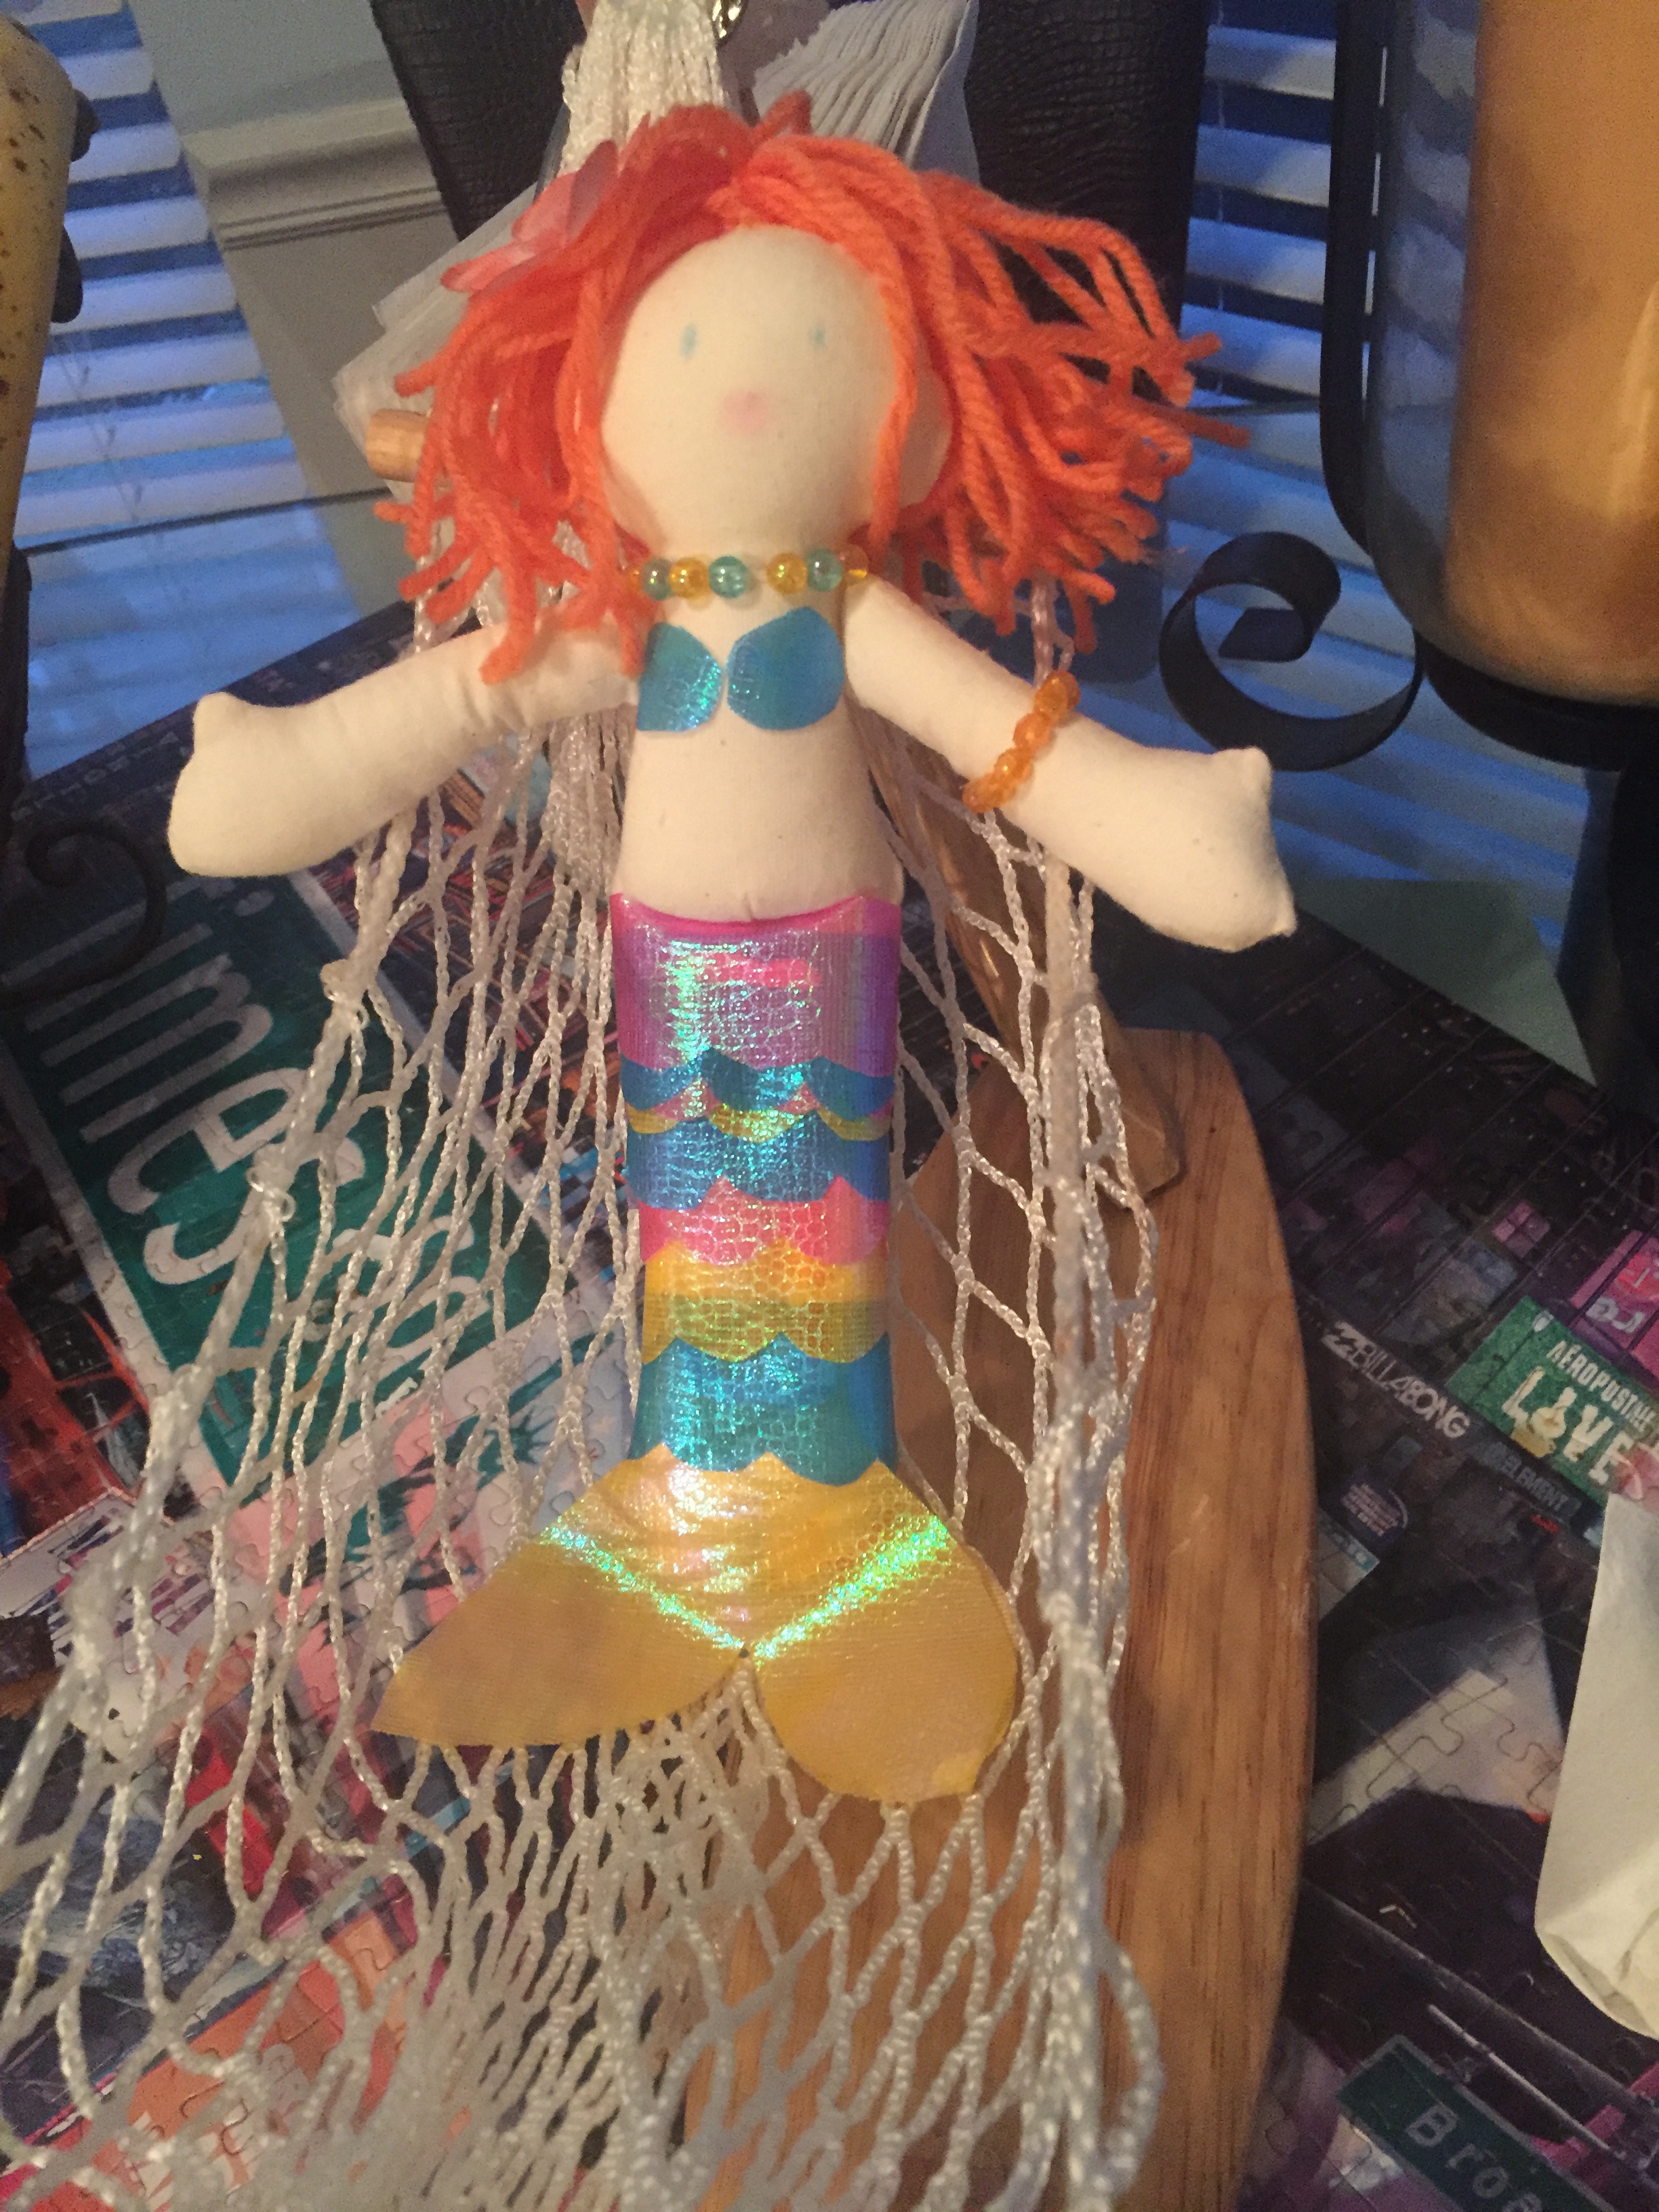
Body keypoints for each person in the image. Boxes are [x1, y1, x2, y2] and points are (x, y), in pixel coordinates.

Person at [168, 98, 1292, 1802]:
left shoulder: (847, 611)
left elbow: (1005, 734)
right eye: (680, 346)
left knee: (814, 1212)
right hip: (674, 968)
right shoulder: (631, 621)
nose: (750, 386)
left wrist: (1160, 820)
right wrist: (282, 769)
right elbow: (462, 694)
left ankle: (818, 1513)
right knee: (696, 1218)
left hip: (827, 965)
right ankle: (706, 1502)